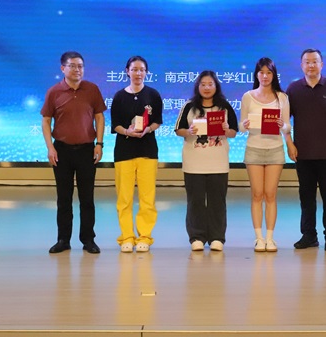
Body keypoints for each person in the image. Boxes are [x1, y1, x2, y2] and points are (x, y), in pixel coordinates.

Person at [285, 48, 326, 251]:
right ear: (301, 65)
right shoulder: (293, 89)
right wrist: (289, 144)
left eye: (315, 61)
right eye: (307, 62)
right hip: (302, 153)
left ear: (322, 64)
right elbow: (284, 120)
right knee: (306, 197)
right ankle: (309, 235)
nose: (311, 65)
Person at [41, 51, 106, 254]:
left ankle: (88, 240)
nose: (77, 70)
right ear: (63, 68)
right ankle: (63, 240)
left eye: (80, 66)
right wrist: (50, 147)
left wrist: (99, 144)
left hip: (87, 150)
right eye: (72, 66)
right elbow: (46, 120)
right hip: (62, 151)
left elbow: (99, 117)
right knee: (64, 198)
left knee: (87, 198)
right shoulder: (54, 92)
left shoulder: (92, 89)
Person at [175, 71, 238, 252]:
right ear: (198, 86)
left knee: (217, 201)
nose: (207, 88)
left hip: (218, 162)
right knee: (195, 201)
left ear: (216, 86)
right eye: (203, 84)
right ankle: (197, 237)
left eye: (210, 84)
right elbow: (178, 130)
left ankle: (217, 237)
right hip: (193, 163)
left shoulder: (224, 107)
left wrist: (226, 130)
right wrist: (189, 131)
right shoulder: (189, 106)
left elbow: (233, 132)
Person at [110, 55, 163, 253]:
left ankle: (144, 237)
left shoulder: (153, 95)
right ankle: (126, 237)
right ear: (127, 71)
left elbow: (157, 121)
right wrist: (127, 131)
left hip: (147, 151)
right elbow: (115, 125)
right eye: (134, 69)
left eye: (141, 70)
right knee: (124, 198)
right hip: (124, 151)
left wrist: (148, 129)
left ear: (146, 72)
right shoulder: (119, 96)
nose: (138, 73)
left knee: (147, 197)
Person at [239, 57, 291, 252]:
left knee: (270, 194)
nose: (265, 76)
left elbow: (287, 127)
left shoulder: (282, 97)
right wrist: (244, 125)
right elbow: (240, 126)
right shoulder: (248, 96)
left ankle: (270, 238)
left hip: (275, 149)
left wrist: (282, 125)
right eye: (261, 72)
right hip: (254, 149)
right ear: (256, 75)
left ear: (274, 75)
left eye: (269, 72)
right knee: (257, 194)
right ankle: (258, 238)